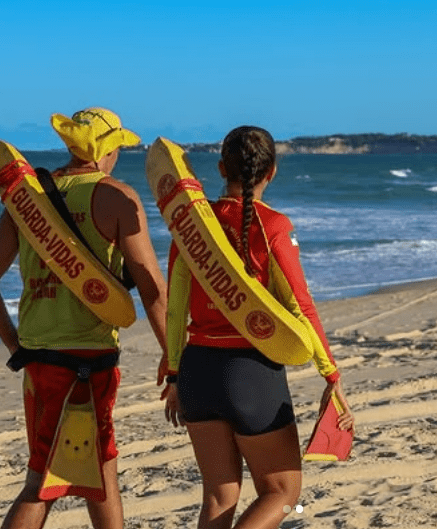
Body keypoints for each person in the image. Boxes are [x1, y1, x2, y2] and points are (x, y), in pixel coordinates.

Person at [0, 107, 169, 529]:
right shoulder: (118, 197)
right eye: (117, 147)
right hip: (88, 364)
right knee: (42, 484)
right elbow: (153, 290)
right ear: (106, 149)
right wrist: (175, 359)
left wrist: (14, 345)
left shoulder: (29, 202)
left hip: (39, 364)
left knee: (101, 473)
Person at [162, 125, 355, 529]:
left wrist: (175, 373)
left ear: (220, 168)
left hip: (197, 369)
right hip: (250, 374)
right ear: (272, 173)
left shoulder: (192, 226)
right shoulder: (274, 227)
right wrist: (330, 373)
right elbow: (300, 305)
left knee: (219, 494)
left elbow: (176, 308)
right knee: (282, 493)